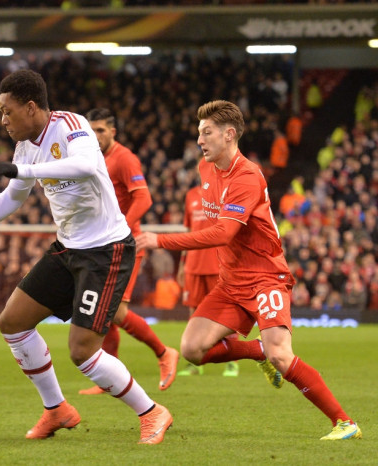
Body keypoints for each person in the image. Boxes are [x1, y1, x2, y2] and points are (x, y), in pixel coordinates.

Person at [0, 70, 172, 444]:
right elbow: (14, 197)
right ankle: (57, 410)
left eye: (7, 111)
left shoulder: (72, 125)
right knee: (13, 322)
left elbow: (82, 166)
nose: (2, 120)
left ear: (31, 107)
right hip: (68, 248)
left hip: (105, 250)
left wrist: (24, 169)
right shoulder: (26, 146)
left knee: (82, 352)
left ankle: (152, 412)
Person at [136, 100, 361, 441]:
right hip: (231, 280)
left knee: (282, 356)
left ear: (229, 135)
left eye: (206, 132)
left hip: (265, 277)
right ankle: (255, 351)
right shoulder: (205, 167)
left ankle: (345, 423)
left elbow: (224, 232)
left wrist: (160, 241)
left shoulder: (247, 175)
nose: (200, 140)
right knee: (193, 349)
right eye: (199, 133)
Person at [78, 108, 178, 395]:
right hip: (102, 244)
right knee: (103, 311)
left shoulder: (124, 158)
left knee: (117, 312)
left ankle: (163, 352)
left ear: (113, 132)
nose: (95, 136)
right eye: (91, 130)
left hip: (125, 243)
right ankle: (111, 376)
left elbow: (144, 198)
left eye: (101, 130)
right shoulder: (91, 157)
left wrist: (122, 225)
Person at [176, 182, 239, 377]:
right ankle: (195, 364)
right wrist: (182, 264)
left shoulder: (224, 193)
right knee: (194, 312)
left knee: (226, 314)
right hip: (193, 265)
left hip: (217, 264)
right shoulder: (191, 195)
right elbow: (188, 232)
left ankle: (232, 363)